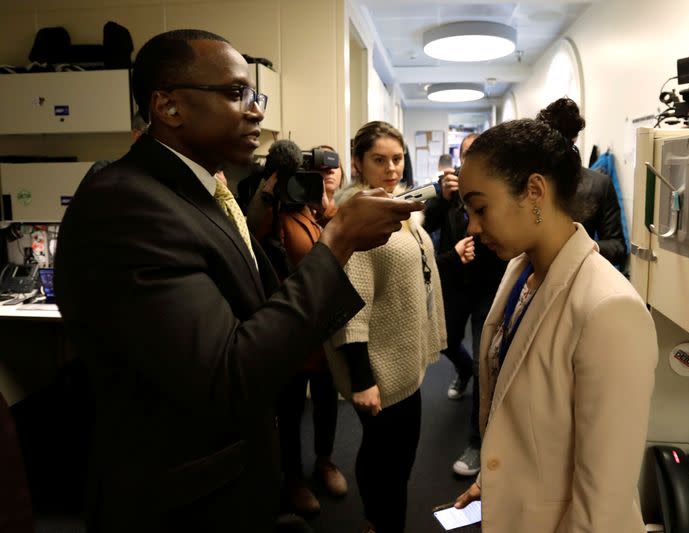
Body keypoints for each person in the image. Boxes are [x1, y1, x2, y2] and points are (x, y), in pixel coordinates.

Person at [54, 29, 422, 533]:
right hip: (180, 502)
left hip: (234, 474)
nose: (255, 111)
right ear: (168, 106)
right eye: (234, 94)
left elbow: (254, 308)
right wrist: (336, 244)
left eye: (255, 95)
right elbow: (228, 374)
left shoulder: (203, 192)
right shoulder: (128, 203)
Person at [452, 117, 658, 532]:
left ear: (534, 191)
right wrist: (496, 480)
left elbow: (603, 499)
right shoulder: (519, 272)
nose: (473, 226)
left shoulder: (609, 308)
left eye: (481, 208)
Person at [326, 121, 447, 533]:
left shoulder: (399, 205)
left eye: (397, 159)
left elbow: (415, 270)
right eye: (380, 160)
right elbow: (349, 308)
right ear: (358, 163)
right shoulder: (361, 217)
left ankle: (380, 520)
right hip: (379, 367)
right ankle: (380, 522)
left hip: (403, 353)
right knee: (387, 457)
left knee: (398, 455)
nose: (392, 168)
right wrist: (362, 379)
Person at [247, 145, 349, 515]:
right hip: (290, 327)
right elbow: (252, 229)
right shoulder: (277, 213)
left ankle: (325, 460)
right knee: (289, 407)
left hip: (322, 328)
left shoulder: (316, 210)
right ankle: (292, 478)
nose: (317, 182)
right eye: (310, 177)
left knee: (325, 399)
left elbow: (342, 240)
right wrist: (271, 187)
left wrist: (324, 205)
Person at [422, 132, 506, 478]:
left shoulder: (500, 188)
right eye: (467, 154)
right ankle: (462, 368)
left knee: (484, 361)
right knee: (445, 341)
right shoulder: (450, 190)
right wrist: (442, 199)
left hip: (490, 284)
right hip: (457, 281)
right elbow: (428, 227)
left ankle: (477, 442)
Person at [536, 98, 628, 269]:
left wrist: (584, 247)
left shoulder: (598, 184)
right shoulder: (530, 181)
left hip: (577, 271)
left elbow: (618, 246)